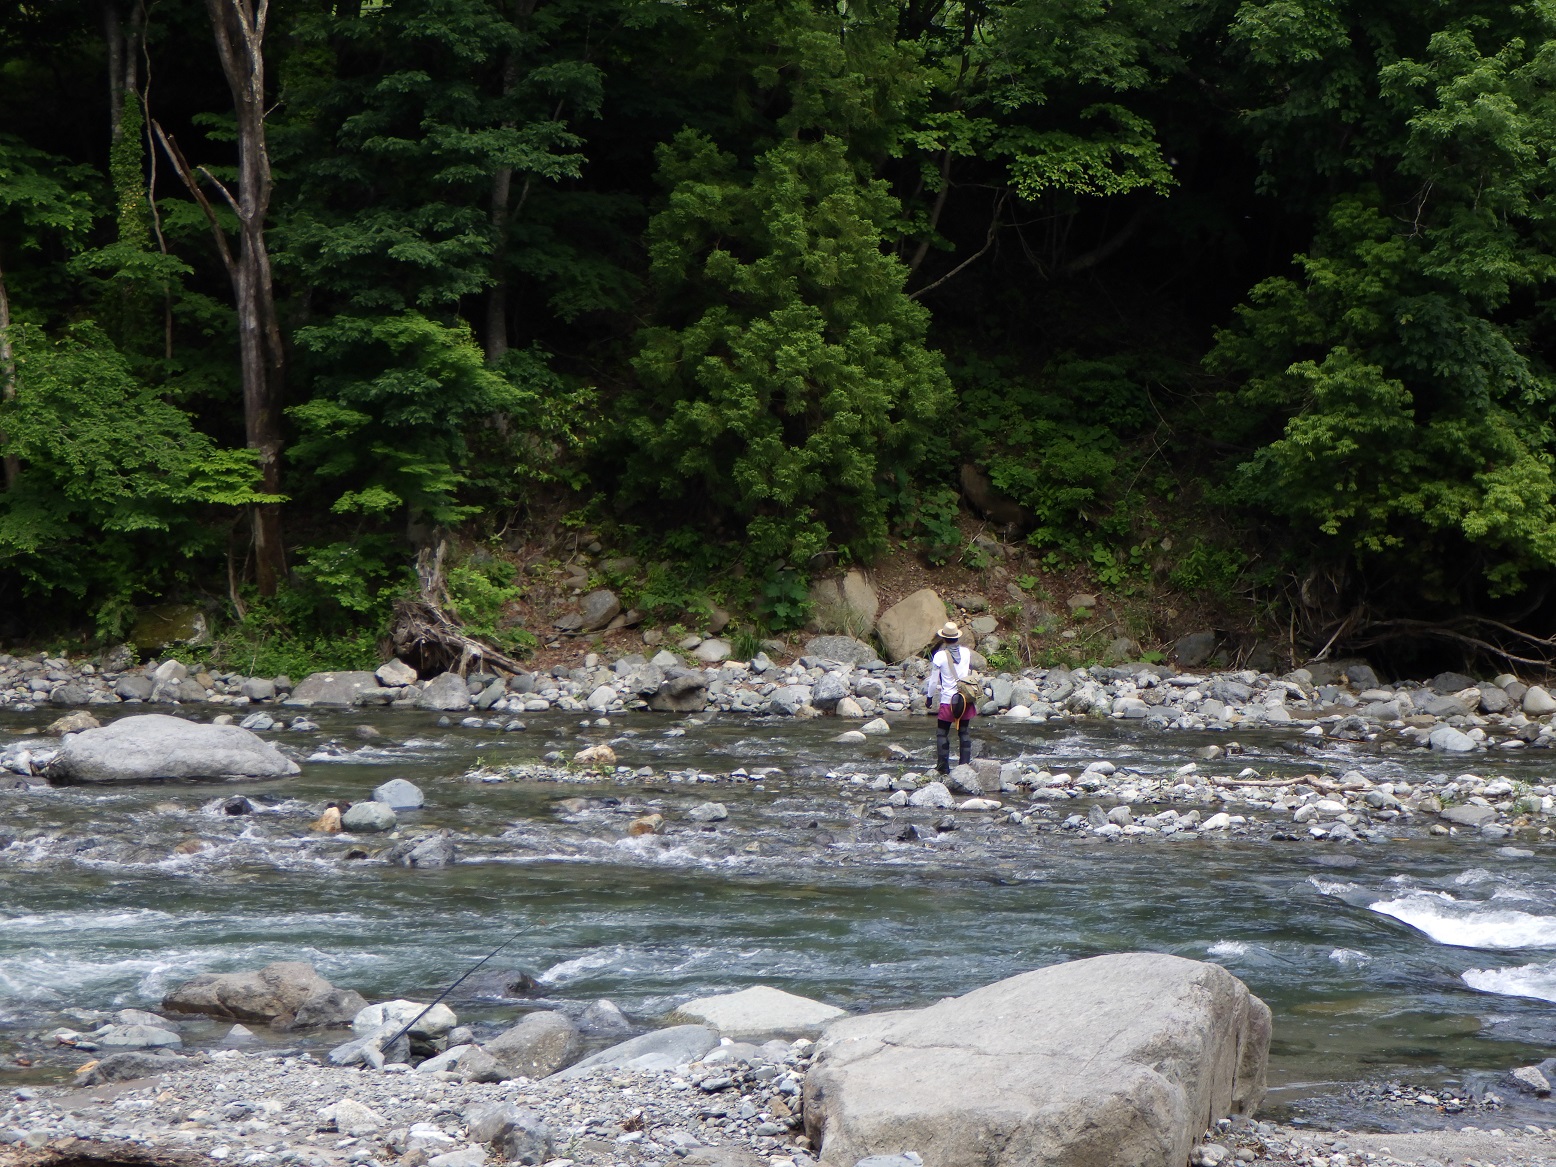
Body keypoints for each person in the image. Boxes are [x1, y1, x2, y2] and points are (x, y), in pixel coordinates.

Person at [924, 621, 975, 774]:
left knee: (942, 732)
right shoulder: (966, 653)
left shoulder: (940, 656)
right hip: (965, 699)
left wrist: (929, 697)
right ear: (956, 638)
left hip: (948, 700)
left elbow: (933, 681)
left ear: (944, 639)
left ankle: (943, 768)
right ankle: (964, 767)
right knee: (964, 732)